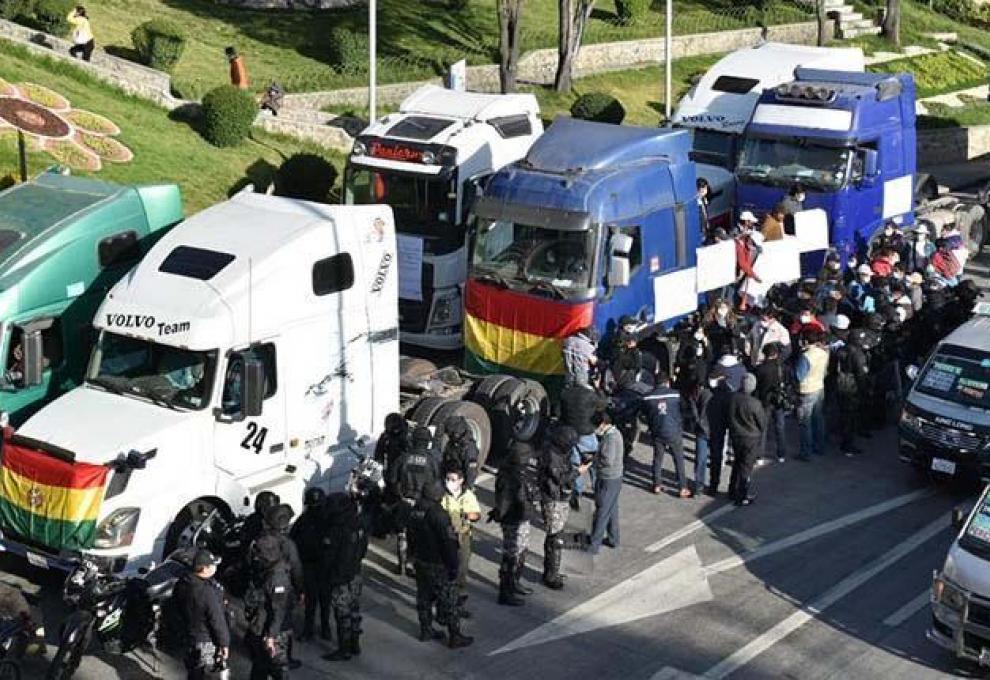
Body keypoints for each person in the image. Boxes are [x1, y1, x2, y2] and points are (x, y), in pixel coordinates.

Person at [408, 481, 473, 648]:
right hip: (438, 563)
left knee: (423, 597)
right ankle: (455, 635)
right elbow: (448, 543)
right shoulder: (439, 514)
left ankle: (426, 629)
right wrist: (453, 566)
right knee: (448, 598)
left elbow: (410, 535)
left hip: (421, 560)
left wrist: (412, 556)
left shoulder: (415, 510)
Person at [320, 492, 368, 661]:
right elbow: (363, 549)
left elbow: (329, 556)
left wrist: (329, 575)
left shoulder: (337, 528)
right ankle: (354, 644)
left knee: (342, 614)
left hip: (340, 577)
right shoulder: (359, 523)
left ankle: (344, 648)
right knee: (354, 610)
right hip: (355, 573)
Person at [538, 426, 587, 590]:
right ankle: (551, 576)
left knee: (555, 536)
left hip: (558, 497)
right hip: (553, 499)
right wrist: (578, 472)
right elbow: (560, 478)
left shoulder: (556, 452)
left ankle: (552, 572)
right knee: (554, 538)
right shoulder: (552, 457)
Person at [389, 426, 440, 576]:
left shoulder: (402, 458)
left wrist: (399, 495)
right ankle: (413, 564)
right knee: (421, 535)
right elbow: (438, 482)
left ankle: (401, 565)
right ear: (427, 442)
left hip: (405, 501)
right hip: (424, 503)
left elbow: (392, 479)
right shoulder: (432, 461)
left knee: (402, 534)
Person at [244, 531, 295, 680]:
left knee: (277, 665)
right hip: (261, 623)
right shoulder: (266, 568)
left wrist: (271, 636)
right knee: (260, 663)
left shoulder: (278, 578)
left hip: (274, 630)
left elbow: (278, 610)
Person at [490, 442, 534, 607]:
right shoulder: (509, 476)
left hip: (520, 518)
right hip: (513, 521)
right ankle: (505, 591)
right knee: (511, 556)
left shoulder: (515, 471)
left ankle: (514, 583)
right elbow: (506, 501)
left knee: (521, 551)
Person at [174, 549, 229, 680]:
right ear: (204, 569)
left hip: (188, 637)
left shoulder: (182, 584)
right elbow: (217, 620)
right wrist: (224, 643)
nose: (215, 567)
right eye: (212, 565)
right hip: (205, 641)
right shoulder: (206, 592)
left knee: (193, 672)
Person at [559, 377, 607, 510]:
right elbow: (603, 403)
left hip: (570, 434)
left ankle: (577, 493)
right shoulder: (589, 395)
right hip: (587, 434)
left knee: (575, 465)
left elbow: (560, 412)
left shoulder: (565, 394)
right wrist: (598, 388)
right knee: (593, 464)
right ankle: (598, 493)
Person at [439, 465, 481, 615]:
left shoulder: (467, 495)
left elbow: (476, 514)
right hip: (446, 537)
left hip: (462, 536)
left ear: (461, 481)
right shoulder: (441, 494)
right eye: (448, 479)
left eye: (453, 479)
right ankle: (443, 604)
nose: (449, 482)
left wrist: (468, 515)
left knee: (461, 570)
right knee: (444, 572)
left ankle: (458, 604)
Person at [642, 371, 689, 498]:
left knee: (658, 458)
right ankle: (682, 487)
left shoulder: (647, 397)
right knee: (678, 459)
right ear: (667, 382)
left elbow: (644, 413)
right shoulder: (676, 394)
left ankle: (657, 483)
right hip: (674, 430)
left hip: (657, 431)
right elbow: (684, 409)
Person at [290, 487, 328, 642]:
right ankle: (317, 629)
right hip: (314, 564)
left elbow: (293, 539)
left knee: (317, 600)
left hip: (316, 564)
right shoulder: (318, 519)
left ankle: (314, 629)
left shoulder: (310, 519)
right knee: (319, 600)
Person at [728, 374, 766, 506]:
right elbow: (762, 422)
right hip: (751, 438)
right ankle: (742, 495)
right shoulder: (755, 403)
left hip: (736, 435)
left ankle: (732, 489)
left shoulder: (733, 399)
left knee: (737, 463)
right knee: (746, 467)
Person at [830, 327, 869, 457]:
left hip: (840, 383)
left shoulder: (840, 350)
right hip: (852, 388)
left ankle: (840, 435)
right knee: (850, 417)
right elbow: (861, 375)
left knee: (842, 413)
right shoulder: (858, 354)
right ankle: (847, 444)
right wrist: (864, 391)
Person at [589, 412, 623, 554]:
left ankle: (594, 545)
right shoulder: (615, 434)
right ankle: (613, 538)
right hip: (615, 477)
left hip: (608, 478)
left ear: (603, 424)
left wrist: (594, 461)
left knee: (602, 511)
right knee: (611, 509)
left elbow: (608, 460)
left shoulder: (610, 438)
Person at [754, 342, 792, 463]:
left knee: (762, 428)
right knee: (780, 427)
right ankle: (781, 454)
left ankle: (759, 455)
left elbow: (756, 387)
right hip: (779, 400)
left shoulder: (759, 369)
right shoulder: (783, 368)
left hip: (764, 400)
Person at [795, 329, 829, 460]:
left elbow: (799, 375)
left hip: (807, 389)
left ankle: (806, 452)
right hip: (819, 386)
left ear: (805, 341)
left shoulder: (806, 356)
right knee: (818, 418)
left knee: (805, 421)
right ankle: (820, 446)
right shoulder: (823, 353)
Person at [706, 375, 733, 496]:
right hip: (727, 427)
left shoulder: (712, 398)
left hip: (714, 429)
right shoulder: (729, 398)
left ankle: (713, 485)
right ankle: (732, 487)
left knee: (715, 458)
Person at [686, 379, 713, 494]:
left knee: (700, 459)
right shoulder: (710, 394)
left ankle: (698, 485)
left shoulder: (693, 395)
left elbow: (695, 414)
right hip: (711, 429)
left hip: (700, 430)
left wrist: (698, 424)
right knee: (714, 458)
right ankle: (711, 485)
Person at [440, 416, 480, 489]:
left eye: (450, 434)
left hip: (459, 483)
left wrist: (466, 488)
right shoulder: (452, 443)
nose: (448, 436)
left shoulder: (469, 448)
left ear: (456, 433)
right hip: (449, 478)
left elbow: (471, 471)